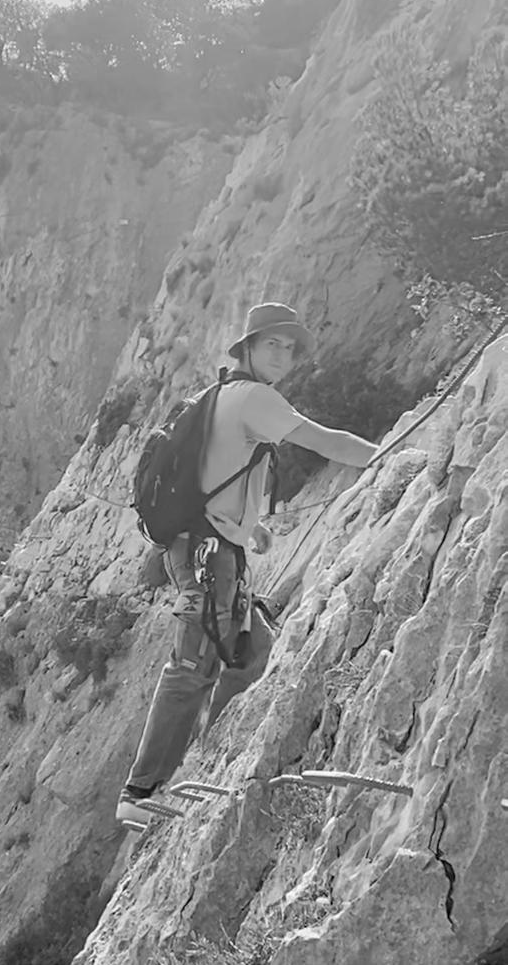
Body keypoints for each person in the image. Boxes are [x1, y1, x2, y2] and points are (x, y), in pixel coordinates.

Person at [116, 302, 378, 827]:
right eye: (271, 344)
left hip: (206, 547)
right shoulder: (256, 398)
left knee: (253, 651)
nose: (281, 355)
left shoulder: (221, 395)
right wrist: (393, 448)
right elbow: (323, 441)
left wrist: (249, 525)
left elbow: (217, 471)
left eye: (289, 348)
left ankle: (209, 762)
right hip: (208, 553)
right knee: (192, 664)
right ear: (249, 349)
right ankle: (140, 793)